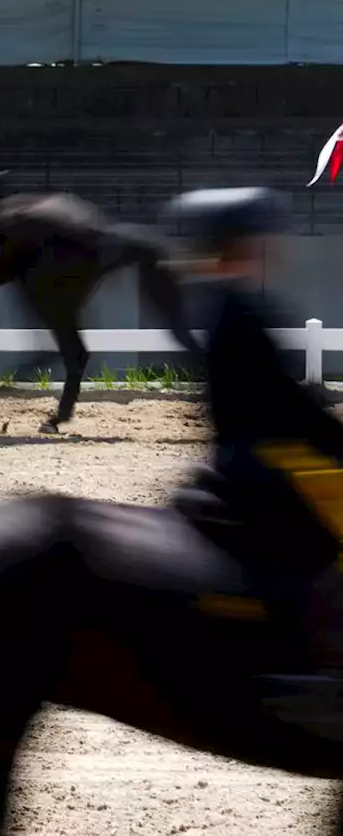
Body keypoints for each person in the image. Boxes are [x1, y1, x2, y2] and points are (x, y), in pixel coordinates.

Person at [163, 187, 343, 672]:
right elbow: (287, 403)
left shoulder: (224, 301)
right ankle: (302, 653)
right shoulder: (240, 310)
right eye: (261, 236)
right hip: (261, 459)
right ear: (241, 242)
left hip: (252, 449)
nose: (273, 245)